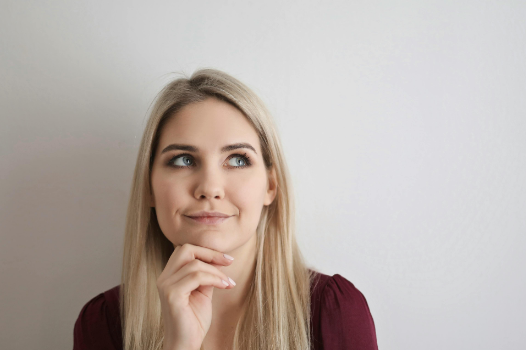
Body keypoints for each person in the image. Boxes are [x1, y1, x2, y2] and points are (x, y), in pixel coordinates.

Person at [73, 68, 378, 350]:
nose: (210, 187)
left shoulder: (334, 312)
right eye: (183, 160)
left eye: (237, 159)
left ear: (270, 186)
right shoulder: (103, 323)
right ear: (149, 187)